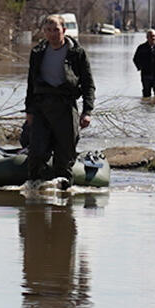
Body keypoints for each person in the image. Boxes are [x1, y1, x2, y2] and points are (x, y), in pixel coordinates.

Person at [23, 13, 95, 188]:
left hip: (65, 106)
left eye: (56, 30)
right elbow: (31, 84)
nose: (52, 34)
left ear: (64, 30)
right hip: (41, 106)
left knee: (65, 155)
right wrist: (29, 110)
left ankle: (64, 195)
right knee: (37, 152)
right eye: (48, 30)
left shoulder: (77, 53)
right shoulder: (37, 53)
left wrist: (87, 111)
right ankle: (35, 193)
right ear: (44, 32)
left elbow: (88, 84)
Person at [133, 27, 155, 98]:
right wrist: (140, 67)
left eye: (154, 36)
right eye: (151, 36)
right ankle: (146, 104)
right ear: (147, 37)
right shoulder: (141, 47)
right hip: (146, 74)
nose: (153, 38)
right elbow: (135, 59)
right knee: (146, 94)